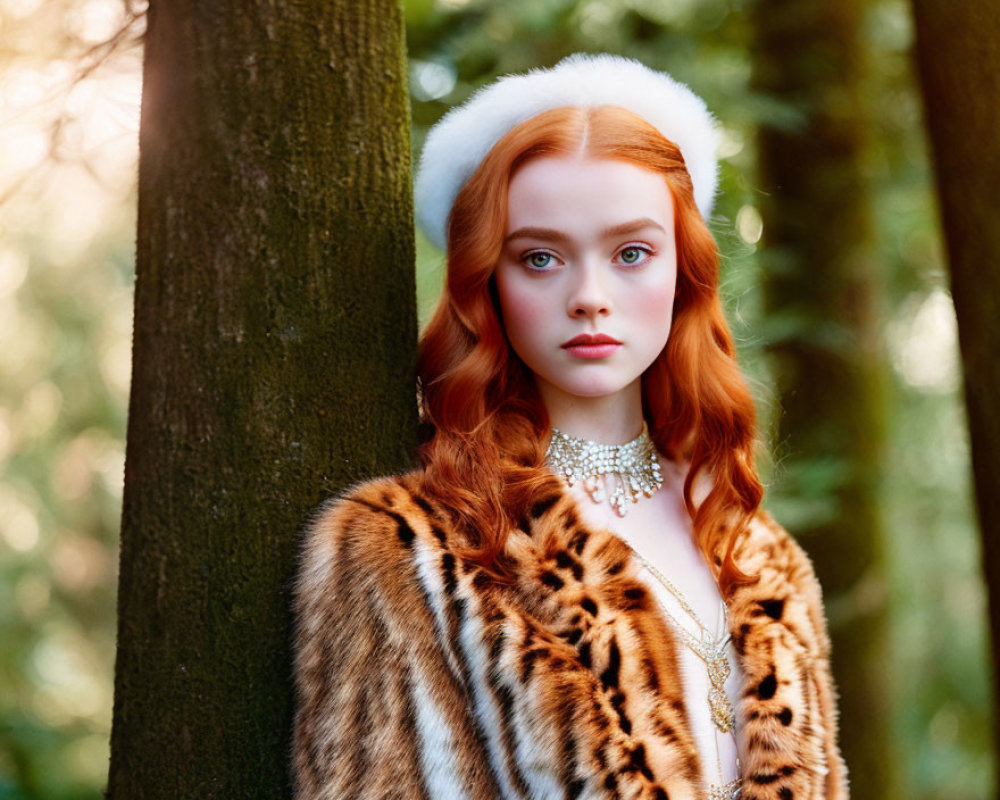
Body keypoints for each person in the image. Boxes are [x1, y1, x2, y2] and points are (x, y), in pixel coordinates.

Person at [292, 53, 848, 800]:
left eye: (631, 253)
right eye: (542, 257)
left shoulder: (759, 552)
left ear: (683, 269)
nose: (590, 296)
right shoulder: (413, 553)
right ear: (487, 278)